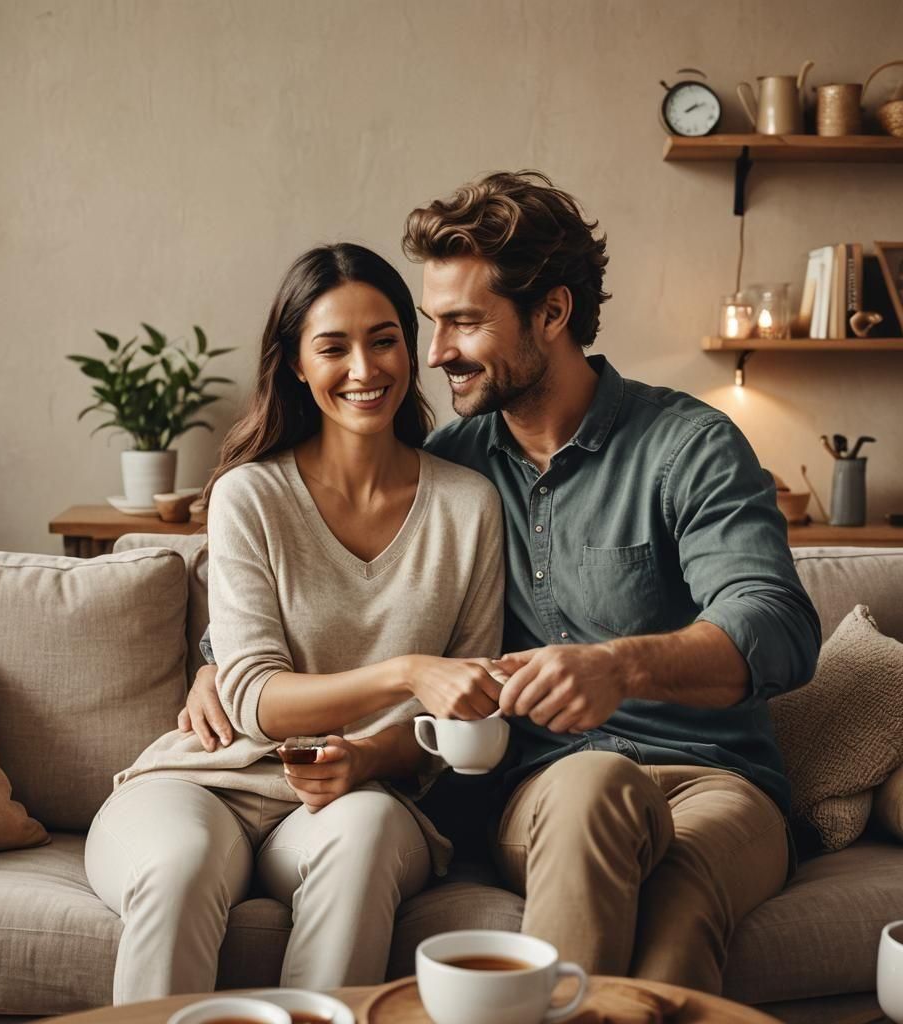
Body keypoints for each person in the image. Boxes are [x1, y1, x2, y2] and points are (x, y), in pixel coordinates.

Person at [182, 171, 822, 994]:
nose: (436, 351)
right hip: (542, 791)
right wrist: (212, 660)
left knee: (675, 915)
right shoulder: (455, 465)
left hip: (710, 784)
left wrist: (620, 666)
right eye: (434, 323)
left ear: (552, 313)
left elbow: (777, 623)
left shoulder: (686, 446)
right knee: (593, 784)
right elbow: (307, 580)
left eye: (464, 322)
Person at [85, 242, 506, 1004]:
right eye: (332, 347)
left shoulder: (469, 506)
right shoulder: (250, 495)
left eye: (383, 340)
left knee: (368, 838)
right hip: (208, 782)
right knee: (178, 867)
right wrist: (407, 670)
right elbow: (251, 698)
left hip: (354, 802)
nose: (365, 368)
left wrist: (375, 755)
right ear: (295, 366)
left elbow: (466, 709)